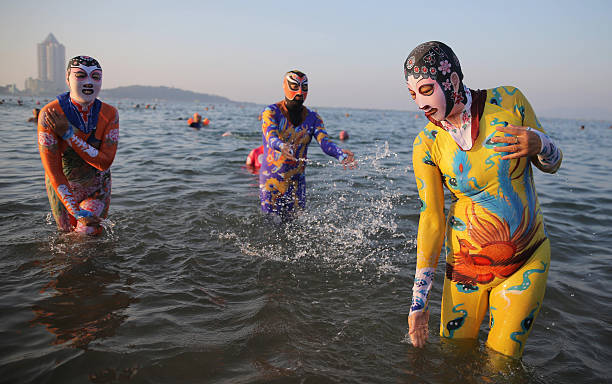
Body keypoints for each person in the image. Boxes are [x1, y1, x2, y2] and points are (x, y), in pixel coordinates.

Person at [404, 42, 562, 359]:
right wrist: (419, 301)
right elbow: (432, 220)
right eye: (412, 95)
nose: (421, 104)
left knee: (500, 365)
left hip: (524, 264)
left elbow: (553, 164)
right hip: (463, 273)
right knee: (453, 359)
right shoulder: (427, 143)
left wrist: (540, 143)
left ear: (452, 80)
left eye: (425, 89)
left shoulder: (509, 102)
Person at [37, 55, 119, 235]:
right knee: (66, 241)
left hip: (97, 187)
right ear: (67, 79)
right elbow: (53, 171)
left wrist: (68, 134)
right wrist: (75, 210)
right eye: (81, 75)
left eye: (95, 77)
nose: (89, 82)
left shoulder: (109, 114)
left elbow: (104, 162)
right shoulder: (50, 114)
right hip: (62, 187)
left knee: (87, 236)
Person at [259, 70, 355, 219]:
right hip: (272, 182)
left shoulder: (313, 118)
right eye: (294, 86)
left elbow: (325, 143)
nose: (299, 92)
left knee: (296, 227)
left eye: (304, 88)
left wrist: (340, 154)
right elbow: (270, 136)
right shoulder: (271, 112)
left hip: (297, 183)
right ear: (284, 86)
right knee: (271, 226)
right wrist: (281, 145)